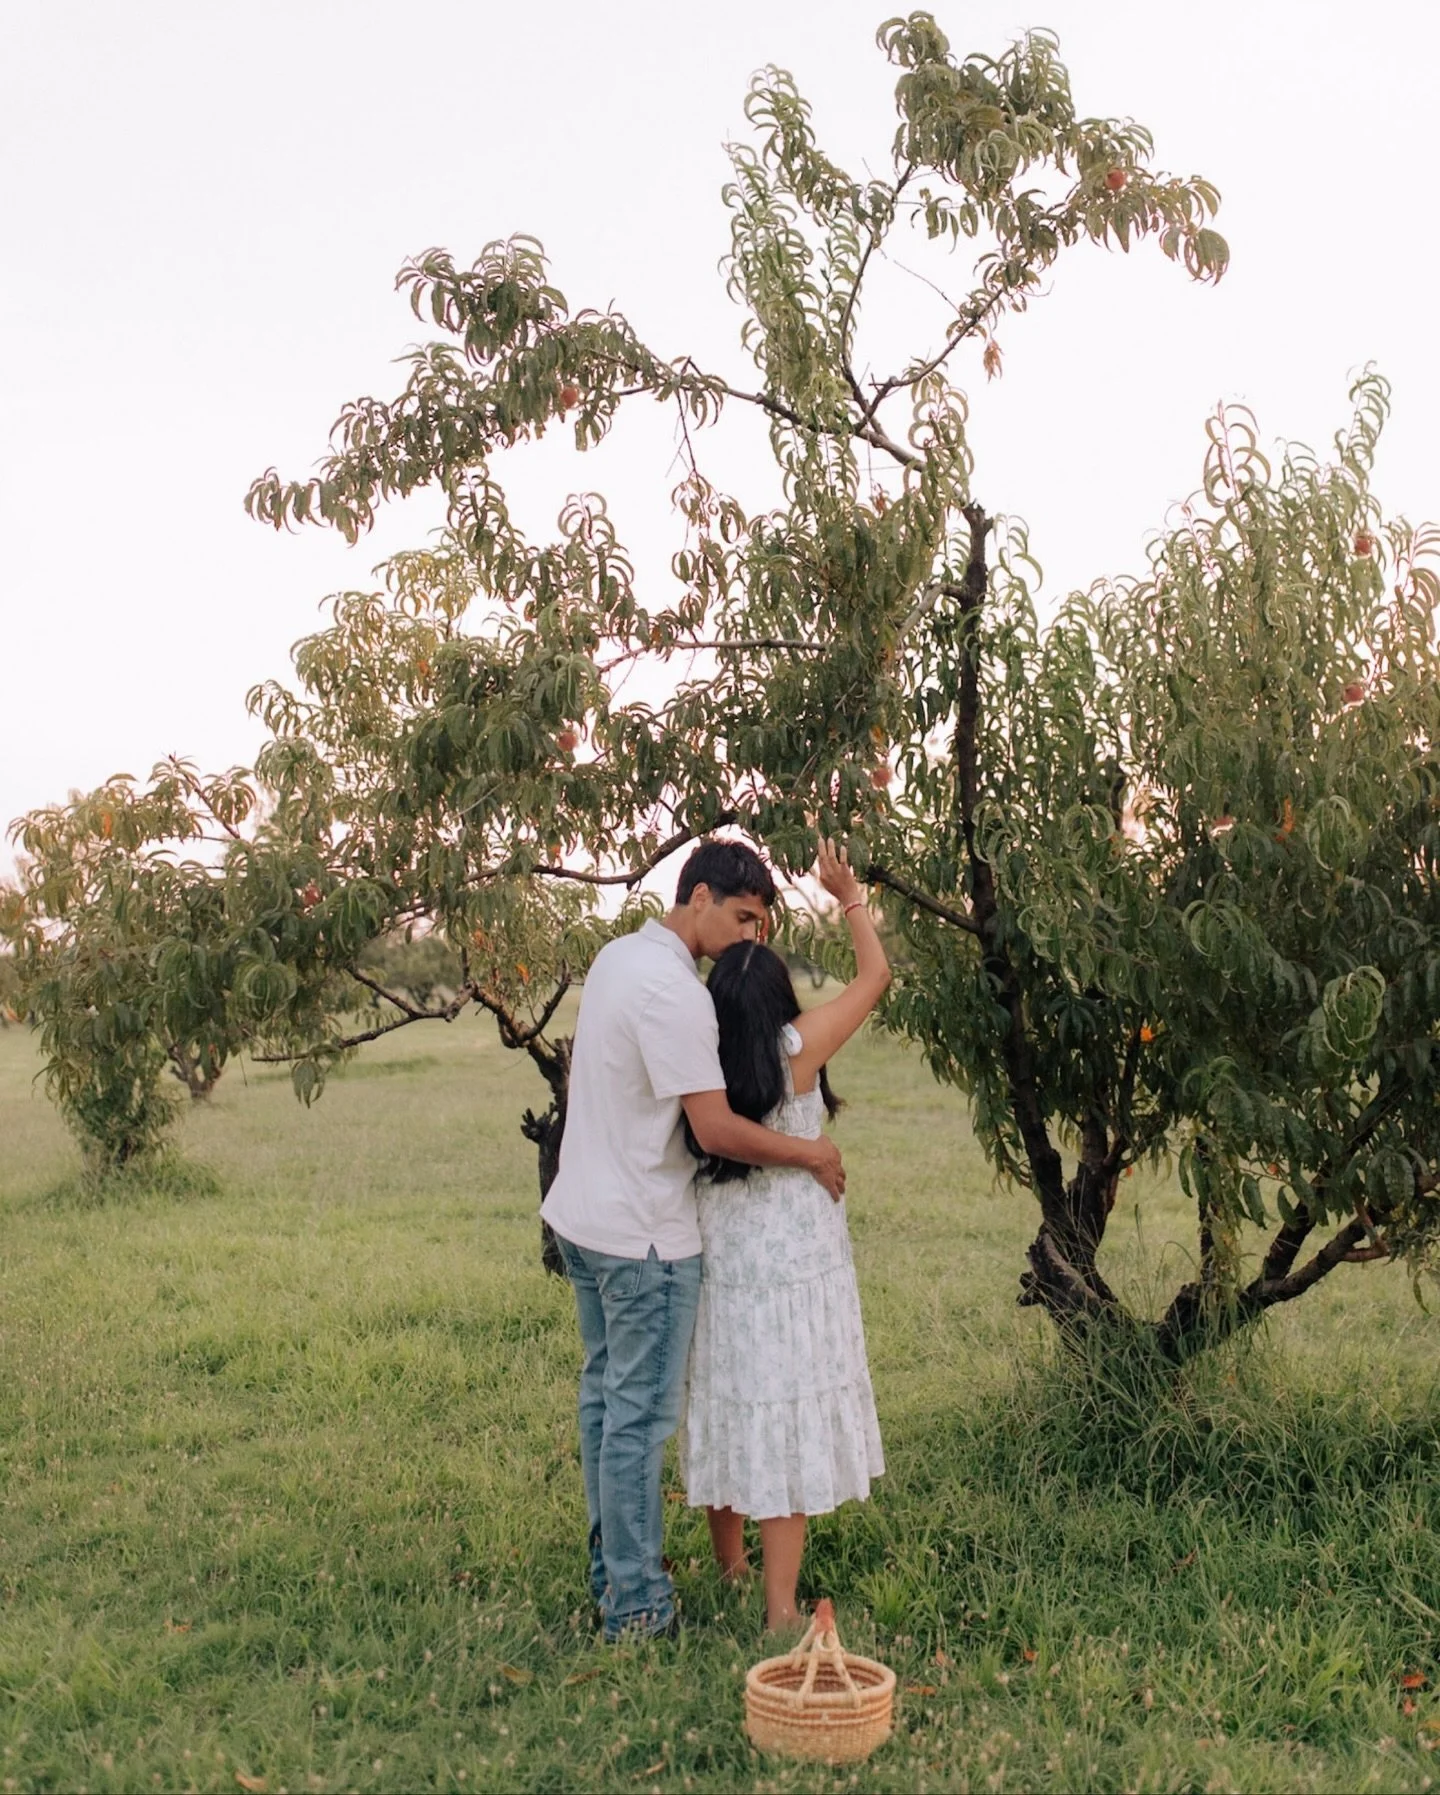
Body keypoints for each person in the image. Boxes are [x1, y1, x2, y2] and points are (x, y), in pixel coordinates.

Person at [541, 838, 847, 1642]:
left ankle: (614, 1575)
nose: (752, 936)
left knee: (606, 1407)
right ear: (701, 895)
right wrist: (812, 1151)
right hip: (642, 1236)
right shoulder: (677, 994)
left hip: (582, 1215)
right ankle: (638, 1607)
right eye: (744, 916)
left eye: (762, 923)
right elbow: (715, 1130)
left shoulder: (615, 957)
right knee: (635, 1421)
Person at [681, 838, 889, 1633]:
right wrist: (851, 898)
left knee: (732, 1404)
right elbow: (875, 977)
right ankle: (778, 1610)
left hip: (726, 1254)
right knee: (784, 1422)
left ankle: (732, 1572)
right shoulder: (797, 1053)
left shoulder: (702, 1057)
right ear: (781, 997)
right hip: (797, 1262)